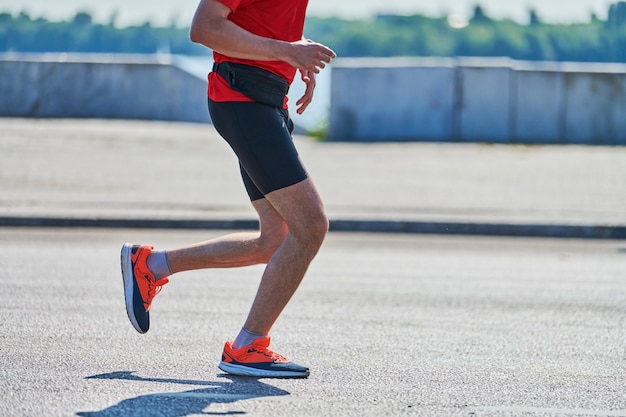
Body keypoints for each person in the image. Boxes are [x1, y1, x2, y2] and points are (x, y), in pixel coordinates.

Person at [120, 0, 336, 379]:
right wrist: (288, 51)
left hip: (267, 102)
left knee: (274, 239)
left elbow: (259, 23)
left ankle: (151, 265)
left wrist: (296, 52)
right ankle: (247, 346)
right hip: (242, 100)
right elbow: (204, 28)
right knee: (311, 225)